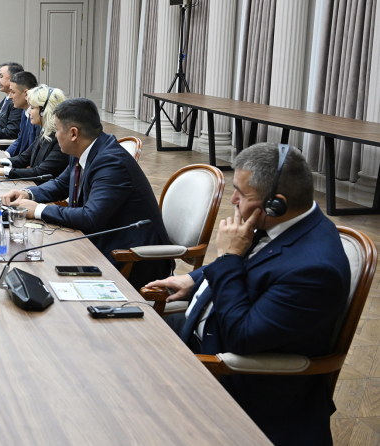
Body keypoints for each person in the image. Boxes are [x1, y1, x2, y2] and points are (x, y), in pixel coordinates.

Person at [144, 144, 350, 446]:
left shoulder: (315, 271)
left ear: (276, 204)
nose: (233, 200)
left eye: (241, 193)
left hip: (235, 380)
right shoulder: (282, 224)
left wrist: (227, 257)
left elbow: (241, 335)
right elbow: (253, 260)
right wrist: (194, 277)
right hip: (199, 334)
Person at [1, 98, 171, 288]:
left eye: (57, 129)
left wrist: (37, 209)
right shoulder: (83, 150)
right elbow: (61, 184)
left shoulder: (112, 162)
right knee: (36, 260)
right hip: (98, 242)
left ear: (74, 133)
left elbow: (91, 217)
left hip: (130, 258)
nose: (55, 135)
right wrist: (28, 194)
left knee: (43, 269)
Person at [0, 84, 67, 181]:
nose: (29, 112)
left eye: (32, 108)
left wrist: (1, 171)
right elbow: (24, 158)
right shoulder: (44, 131)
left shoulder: (60, 138)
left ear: (44, 111)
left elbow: (40, 172)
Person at [4, 71, 39, 157]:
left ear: (26, 94)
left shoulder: (38, 118)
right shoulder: (24, 111)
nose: (10, 96)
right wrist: (6, 154)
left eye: (13, 92)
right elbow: (20, 139)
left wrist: (9, 161)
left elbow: (34, 152)